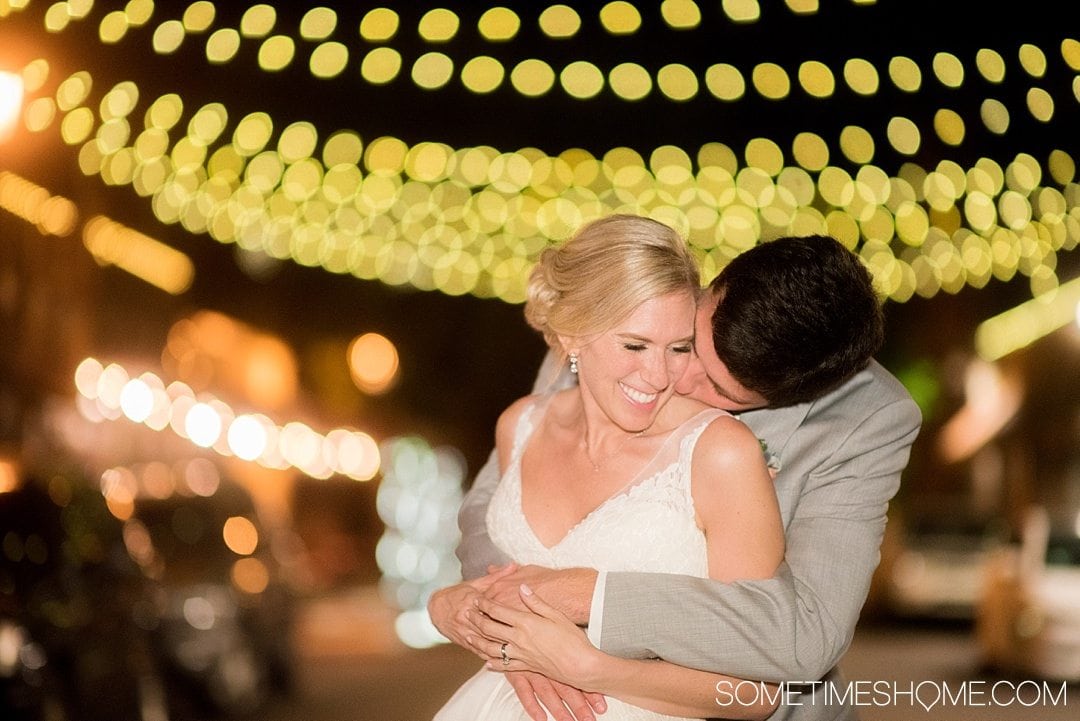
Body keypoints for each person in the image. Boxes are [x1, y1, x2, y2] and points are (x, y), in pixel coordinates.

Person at [430, 230, 923, 721]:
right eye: (693, 345)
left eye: (719, 388)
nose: (668, 380)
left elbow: (803, 633)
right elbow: (491, 500)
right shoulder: (625, 317)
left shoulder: (866, 419)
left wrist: (583, 606)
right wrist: (499, 623)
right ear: (715, 291)